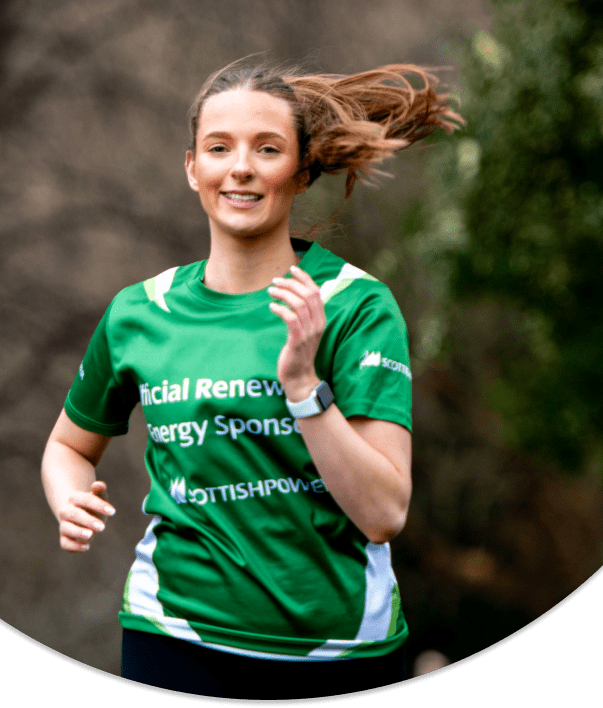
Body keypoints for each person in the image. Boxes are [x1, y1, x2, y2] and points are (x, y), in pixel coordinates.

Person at [41, 59, 461, 699]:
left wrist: (303, 390)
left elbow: (383, 512)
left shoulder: (355, 306)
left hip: (339, 649)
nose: (240, 167)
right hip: (173, 636)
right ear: (192, 169)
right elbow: (68, 446)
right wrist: (68, 496)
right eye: (219, 148)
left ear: (299, 170)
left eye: (267, 149)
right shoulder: (139, 313)